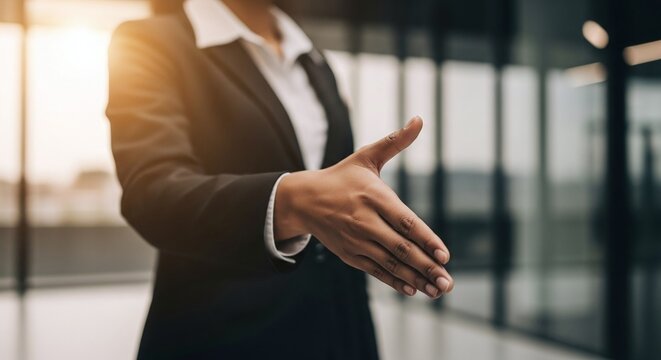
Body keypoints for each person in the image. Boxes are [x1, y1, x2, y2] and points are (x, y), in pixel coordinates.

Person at [105, 0, 454, 358]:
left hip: (338, 335)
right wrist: (294, 201)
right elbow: (152, 191)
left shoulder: (313, 60)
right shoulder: (150, 40)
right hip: (220, 339)